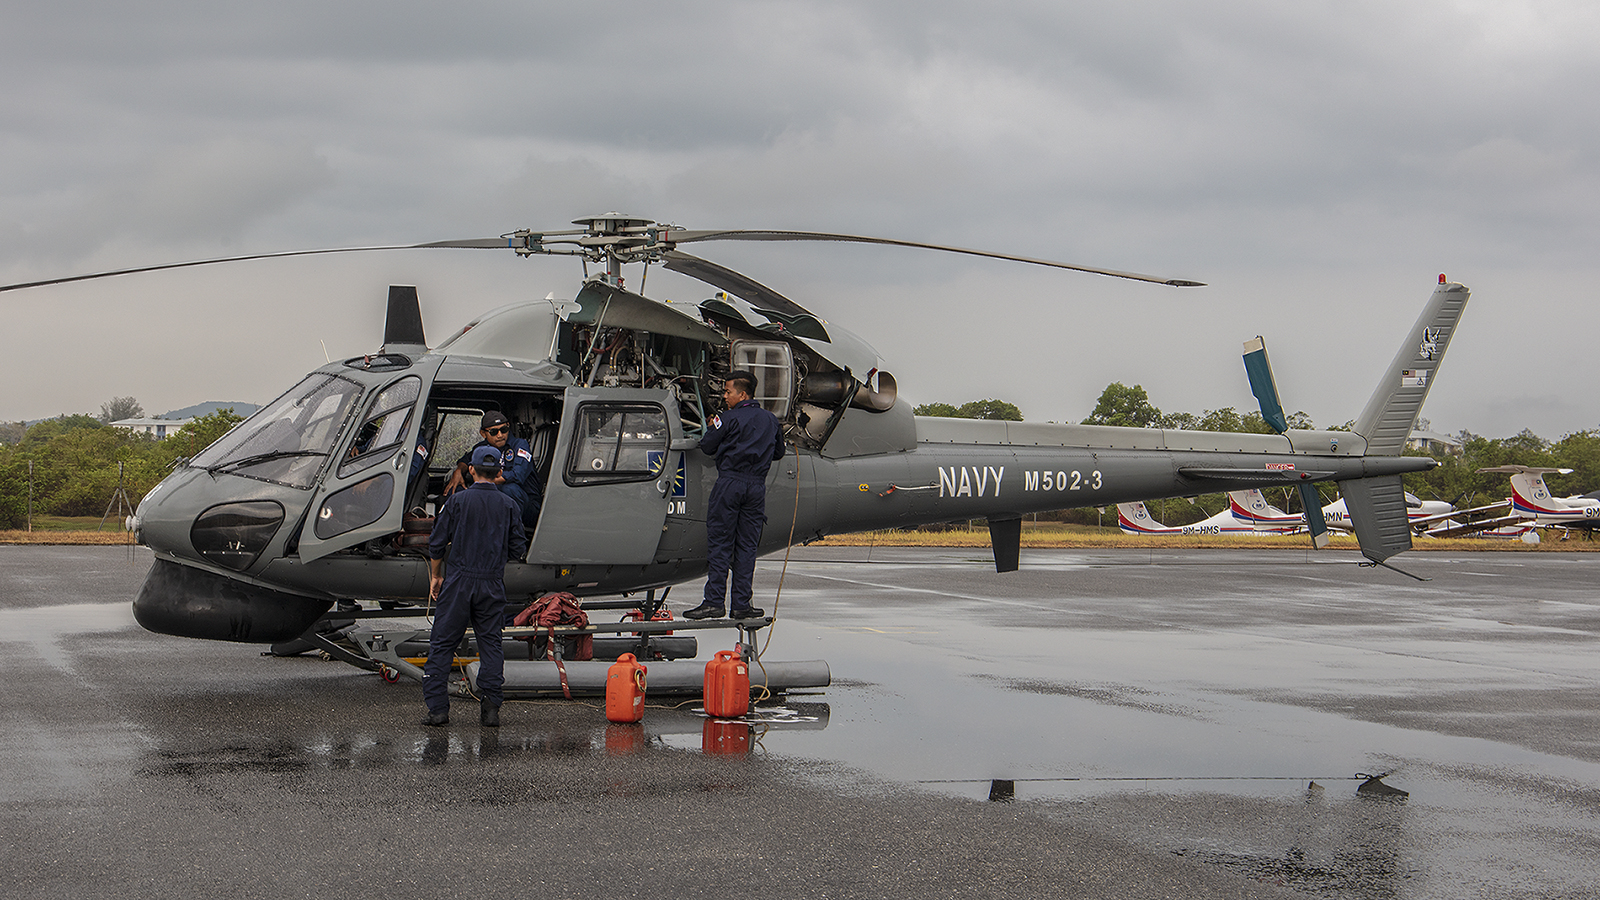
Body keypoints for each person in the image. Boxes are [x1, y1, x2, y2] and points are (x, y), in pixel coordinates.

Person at [421, 444, 529, 727]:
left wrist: (436, 576)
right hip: (491, 583)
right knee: (490, 644)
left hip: (458, 581)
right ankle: (491, 709)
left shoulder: (456, 502)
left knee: (443, 644)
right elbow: (518, 548)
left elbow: (436, 543)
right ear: (499, 472)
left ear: (471, 470)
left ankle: (438, 711)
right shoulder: (509, 505)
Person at [685, 369, 785, 621]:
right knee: (747, 547)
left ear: (742, 394)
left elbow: (707, 446)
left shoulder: (726, 419)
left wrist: (711, 428)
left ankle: (714, 602)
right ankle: (741, 604)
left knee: (721, 543)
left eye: (728, 392)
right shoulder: (771, 420)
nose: (725, 396)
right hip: (756, 487)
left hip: (730, 483)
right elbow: (779, 452)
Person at [444, 411, 542, 532]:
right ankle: (459, 533)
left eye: (504, 429)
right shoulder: (481, 448)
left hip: (527, 505)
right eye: (494, 432)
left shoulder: (519, 445)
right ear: (483, 433)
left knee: (509, 489)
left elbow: (518, 475)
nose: (500, 435)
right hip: (495, 497)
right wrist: (458, 471)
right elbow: (465, 460)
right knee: (456, 491)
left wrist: (484, 482)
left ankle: (511, 533)